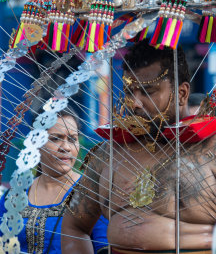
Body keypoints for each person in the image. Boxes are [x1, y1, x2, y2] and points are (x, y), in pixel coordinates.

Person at [61, 40, 216, 253]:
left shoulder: (210, 148)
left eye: (147, 91)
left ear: (181, 93)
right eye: (129, 92)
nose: (135, 103)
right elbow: (74, 226)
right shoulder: (109, 153)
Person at [0, 109, 109, 254]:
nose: (66, 147)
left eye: (73, 139)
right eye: (56, 138)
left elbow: (104, 248)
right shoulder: (14, 196)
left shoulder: (92, 194)